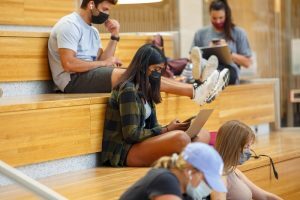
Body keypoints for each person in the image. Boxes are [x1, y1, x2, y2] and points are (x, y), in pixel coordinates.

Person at [48, 0, 228, 106]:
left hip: (89, 75)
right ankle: (195, 91)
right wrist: (103, 64)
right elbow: (69, 64)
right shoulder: (69, 25)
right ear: (91, 4)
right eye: (105, 9)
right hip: (71, 81)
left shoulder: (93, 31)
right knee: (136, 74)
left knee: (145, 72)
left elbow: (102, 59)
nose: (107, 14)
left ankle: (197, 88)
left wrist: (114, 36)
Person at [101, 44, 229, 167]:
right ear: (142, 66)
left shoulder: (146, 88)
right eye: (155, 69)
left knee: (202, 133)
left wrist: (172, 128)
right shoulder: (128, 89)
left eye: (160, 70)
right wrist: (166, 130)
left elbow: (153, 126)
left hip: (142, 143)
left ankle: (182, 162)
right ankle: (187, 163)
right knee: (181, 139)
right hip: (124, 151)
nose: (158, 74)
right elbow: (131, 134)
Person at [119, 143, 227, 200]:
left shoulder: (185, 193)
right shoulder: (165, 180)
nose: (208, 189)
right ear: (190, 170)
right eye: (206, 182)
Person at [213, 120, 283, 200]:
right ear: (232, 147)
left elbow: (264, 196)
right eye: (246, 147)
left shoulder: (232, 170)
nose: (249, 152)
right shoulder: (220, 177)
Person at [191, 0, 252, 85]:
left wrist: (227, 52)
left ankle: (208, 71)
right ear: (210, 15)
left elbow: (247, 63)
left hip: (229, 71)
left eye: (221, 18)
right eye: (214, 18)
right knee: (202, 64)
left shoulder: (238, 33)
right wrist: (209, 50)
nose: (218, 21)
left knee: (225, 71)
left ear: (226, 15)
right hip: (204, 71)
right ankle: (205, 69)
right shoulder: (200, 34)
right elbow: (191, 57)